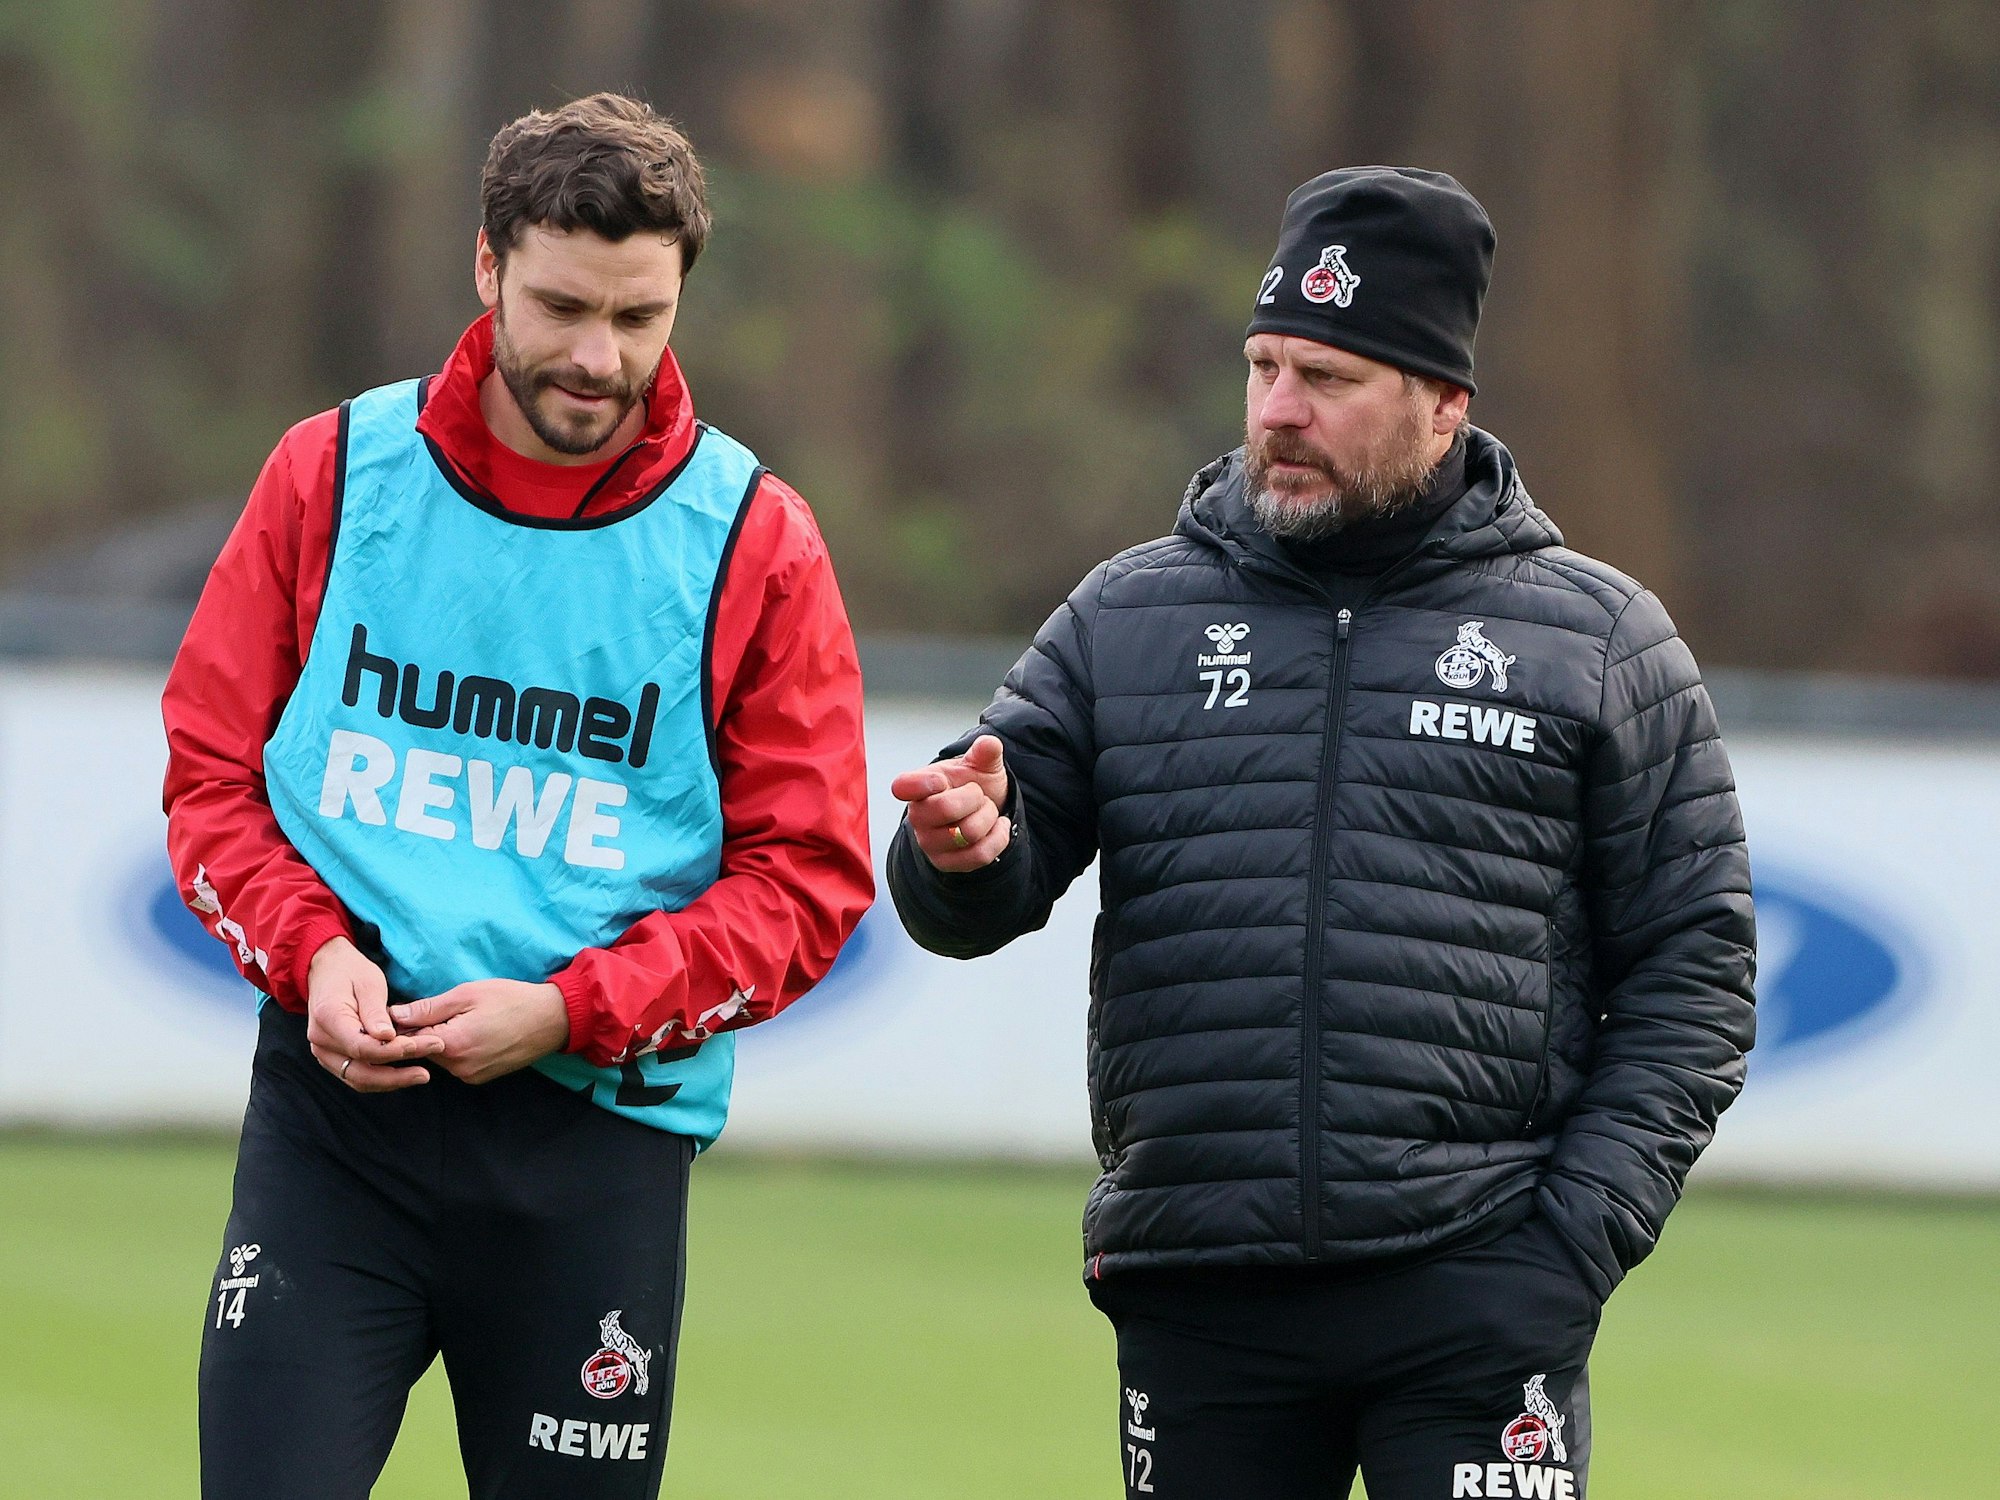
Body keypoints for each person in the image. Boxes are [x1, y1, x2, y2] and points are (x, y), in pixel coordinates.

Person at [889, 167, 1755, 1500]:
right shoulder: (1131, 615)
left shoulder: (1598, 640)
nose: (1279, 411)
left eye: (1331, 379)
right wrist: (959, 850)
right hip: (1202, 1297)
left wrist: (1571, 1245)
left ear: (1444, 402)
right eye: (1265, 366)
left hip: (1478, 1297)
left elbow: (1697, 974)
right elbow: (987, 870)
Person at [164, 93, 873, 1499]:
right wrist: (310, 959)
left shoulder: (755, 540)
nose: (597, 359)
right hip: (336, 1129)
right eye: (560, 308)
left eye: (640, 318)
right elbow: (211, 779)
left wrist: (572, 1010)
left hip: (597, 1144)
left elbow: (809, 881)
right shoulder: (332, 474)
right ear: (484, 268)